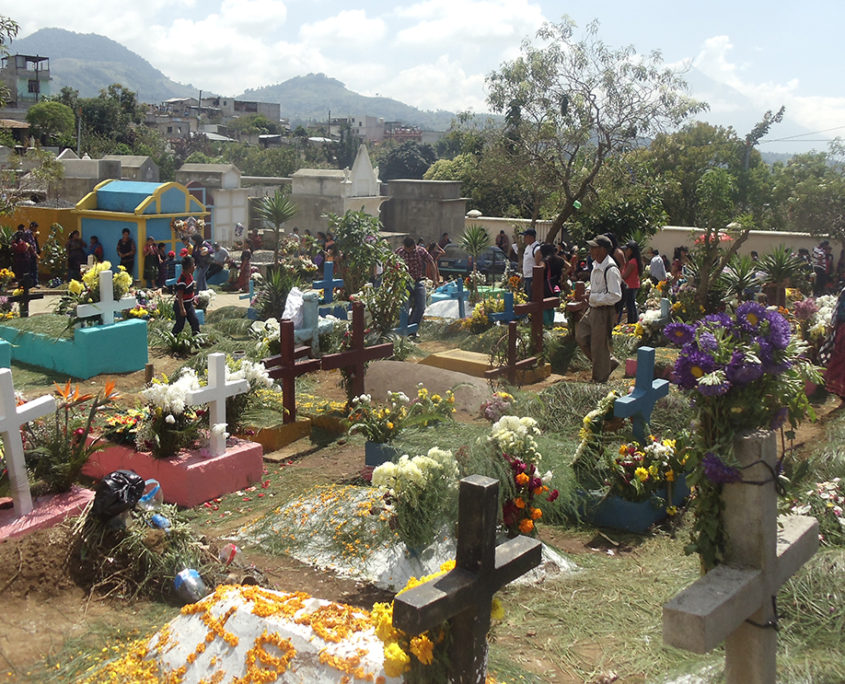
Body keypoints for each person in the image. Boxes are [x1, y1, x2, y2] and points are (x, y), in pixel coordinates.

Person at [575, 235, 622, 383]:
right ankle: (608, 362)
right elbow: (597, 286)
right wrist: (590, 292)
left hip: (603, 311)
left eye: (593, 248)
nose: (590, 250)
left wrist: (594, 298)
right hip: (593, 309)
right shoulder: (597, 264)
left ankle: (599, 379)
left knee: (598, 346)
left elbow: (615, 296)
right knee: (581, 335)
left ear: (602, 250)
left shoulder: (611, 269)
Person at [396, 236, 435, 329]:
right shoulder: (399, 252)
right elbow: (390, 262)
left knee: (421, 307)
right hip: (404, 283)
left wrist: (434, 279)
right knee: (404, 307)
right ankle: (405, 328)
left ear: (414, 246)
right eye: (406, 249)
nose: (408, 252)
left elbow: (431, 262)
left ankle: (412, 327)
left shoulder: (421, 251)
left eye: (410, 250)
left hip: (418, 282)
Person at [172, 255, 201, 336]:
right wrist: (182, 309)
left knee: (195, 321)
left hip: (189, 304)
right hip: (180, 305)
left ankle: (197, 340)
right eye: (194, 265)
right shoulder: (182, 280)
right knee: (180, 325)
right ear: (190, 267)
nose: (195, 267)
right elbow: (180, 296)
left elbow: (190, 291)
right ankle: (172, 338)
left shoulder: (190, 276)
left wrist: (193, 300)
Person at [540, 243, 566, 326]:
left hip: (546, 286)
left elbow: (540, 269)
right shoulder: (559, 259)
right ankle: (551, 322)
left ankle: (547, 324)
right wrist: (563, 274)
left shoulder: (544, 261)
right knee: (552, 305)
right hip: (557, 285)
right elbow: (569, 266)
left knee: (544, 305)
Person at [620, 241, 643, 324]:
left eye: (627, 250)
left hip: (630, 285)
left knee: (630, 306)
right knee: (631, 304)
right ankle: (633, 322)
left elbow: (625, 275)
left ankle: (632, 322)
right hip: (633, 285)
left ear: (631, 250)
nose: (625, 251)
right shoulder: (633, 260)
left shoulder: (632, 262)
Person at [11, 223, 36, 288]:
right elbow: (25, 249)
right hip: (21, 260)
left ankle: (22, 284)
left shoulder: (18, 243)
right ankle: (21, 285)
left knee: (21, 273)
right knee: (21, 273)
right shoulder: (20, 243)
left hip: (21, 260)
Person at [521, 229, 543, 295]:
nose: (524, 239)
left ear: (531, 237)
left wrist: (535, 280)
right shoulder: (527, 247)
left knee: (531, 299)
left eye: (525, 236)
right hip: (526, 277)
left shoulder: (537, 249)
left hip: (532, 278)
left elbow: (538, 266)